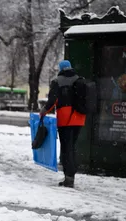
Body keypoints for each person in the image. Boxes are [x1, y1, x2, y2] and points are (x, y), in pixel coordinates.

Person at [40, 60, 86, 188]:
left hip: (66, 119)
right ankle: (70, 176)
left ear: (61, 69)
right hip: (79, 118)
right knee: (72, 146)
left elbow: (52, 100)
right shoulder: (79, 79)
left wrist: (43, 111)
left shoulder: (58, 81)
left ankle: (69, 178)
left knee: (66, 148)